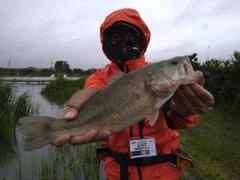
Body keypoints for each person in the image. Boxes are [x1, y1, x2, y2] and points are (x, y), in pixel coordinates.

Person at [52, 8, 214, 180]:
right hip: (118, 173)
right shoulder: (99, 77)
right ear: (105, 44)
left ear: (142, 40)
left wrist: (184, 111)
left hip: (164, 173)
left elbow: (177, 119)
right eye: (113, 38)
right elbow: (89, 96)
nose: (123, 43)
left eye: (131, 37)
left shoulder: (157, 76)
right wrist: (71, 112)